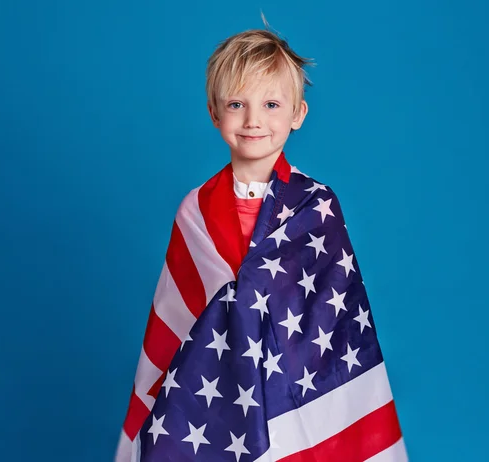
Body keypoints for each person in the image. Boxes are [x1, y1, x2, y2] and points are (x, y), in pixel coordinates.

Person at [115, 19, 407, 462]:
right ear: (214, 113)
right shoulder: (195, 211)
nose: (254, 120)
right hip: (214, 391)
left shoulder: (317, 206)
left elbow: (334, 319)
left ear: (298, 115)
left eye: (271, 104)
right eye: (237, 103)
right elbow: (175, 322)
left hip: (293, 388)